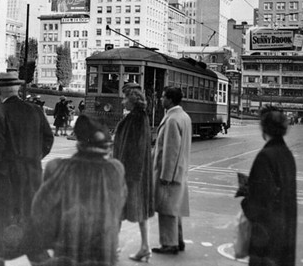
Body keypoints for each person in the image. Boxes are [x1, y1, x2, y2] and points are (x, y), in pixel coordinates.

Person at [25, 114, 127, 266]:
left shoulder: (59, 169)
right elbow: (119, 206)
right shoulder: (115, 169)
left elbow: (40, 212)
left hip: (68, 253)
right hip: (104, 254)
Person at [0, 71, 54, 259]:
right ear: (17, 89)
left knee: (2, 234)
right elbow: (48, 138)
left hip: (7, 181)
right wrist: (35, 157)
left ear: (0, 91)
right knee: (32, 229)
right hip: (32, 177)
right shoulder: (35, 110)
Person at [241, 105, 297, 266]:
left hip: (265, 236)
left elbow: (258, 202)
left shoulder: (265, 156)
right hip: (285, 231)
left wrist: (246, 195)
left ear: (264, 128)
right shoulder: (287, 154)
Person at [113, 88, 154, 262]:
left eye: (125, 100)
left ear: (133, 101)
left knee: (118, 209)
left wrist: (128, 174)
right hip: (132, 173)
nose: (123, 102)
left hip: (130, 174)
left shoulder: (136, 119)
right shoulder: (138, 118)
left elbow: (136, 149)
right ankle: (144, 246)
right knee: (138, 211)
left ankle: (113, 247)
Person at [152, 86, 191, 255]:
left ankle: (169, 244)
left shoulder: (172, 120)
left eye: (162, 97)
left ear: (170, 99)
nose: (161, 100)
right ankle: (178, 240)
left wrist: (165, 176)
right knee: (176, 208)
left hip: (169, 172)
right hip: (181, 170)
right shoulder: (184, 116)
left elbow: (170, 150)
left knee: (167, 209)